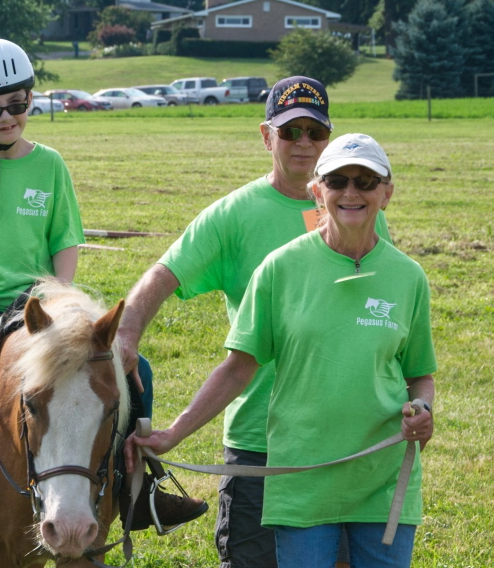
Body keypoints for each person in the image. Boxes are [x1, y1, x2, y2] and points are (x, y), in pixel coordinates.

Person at [0, 38, 205, 545]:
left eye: (18, 105)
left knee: (138, 371)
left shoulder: (50, 165)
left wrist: (62, 302)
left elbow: (65, 240)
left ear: (30, 99)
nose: (8, 118)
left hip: (42, 308)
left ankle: (144, 481)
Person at [116, 77, 391, 567]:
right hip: (261, 441)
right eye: (291, 132)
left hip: (345, 437)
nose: (304, 142)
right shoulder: (232, 216)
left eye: (315, 131)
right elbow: (162, 274)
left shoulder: (353, 204)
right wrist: (126, 335)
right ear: (267, 137)